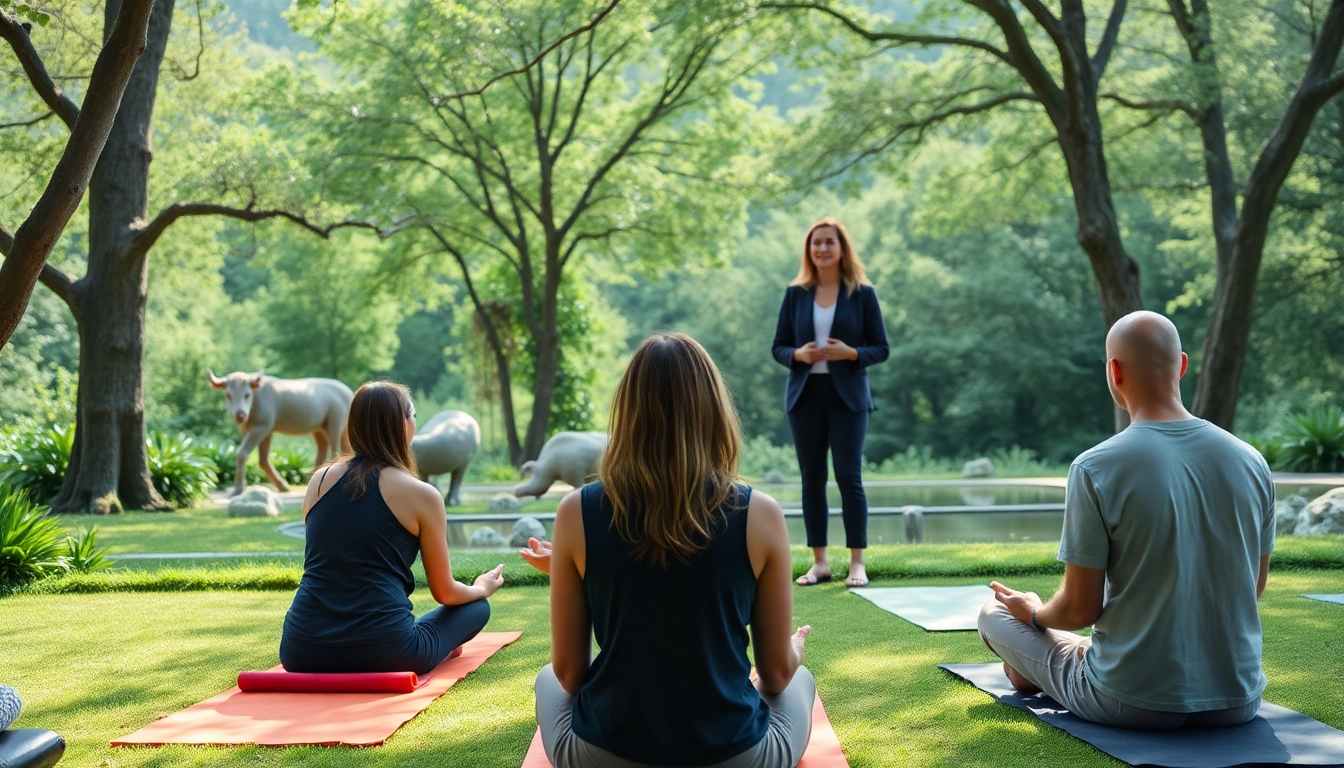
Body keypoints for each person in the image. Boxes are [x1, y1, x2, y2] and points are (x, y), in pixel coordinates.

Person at [524, 333, 816, 768]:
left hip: (603, 756)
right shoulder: (762, 514)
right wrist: (794, 650)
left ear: (628, 412)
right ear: (714, 410)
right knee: (800, 680)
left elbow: (569, 676)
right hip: (736, 758)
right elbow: (774, 676)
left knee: (547, 677)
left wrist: (580, 575)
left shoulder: (575, 512)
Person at [979, 311, 1275, 729]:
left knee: (992, 615)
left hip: (1131, 700)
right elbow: (1252, 586)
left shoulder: (1094, 467)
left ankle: (1031, 666)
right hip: (1238, 701)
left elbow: (1080, 609)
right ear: (1183, 366)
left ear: (1114, 371)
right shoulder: (1252, 461)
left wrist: (1033, 613)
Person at [279, 381, 504, 676]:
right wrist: (480, 588)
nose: (414, 423)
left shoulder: (318, 481)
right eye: (411, 415)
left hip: (301, 651)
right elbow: (446, 594)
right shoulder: (423, 495)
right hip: (390, 653)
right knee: (477, 608)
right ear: (401, 425)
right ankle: (441, 642)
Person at [771, 217, 889, 587]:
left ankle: (857, 563)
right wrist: (799, 356)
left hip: (848, 397)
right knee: (812, 480)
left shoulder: (862, 293)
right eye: (815, 243)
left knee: (849, 477)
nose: (821, 248)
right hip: (804, 396)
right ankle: (819, 563)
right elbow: (778, 347)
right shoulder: (795, 294)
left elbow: (881, 348)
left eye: (829, 242)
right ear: (809, 250)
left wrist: (851, 352)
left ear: (842, 248)